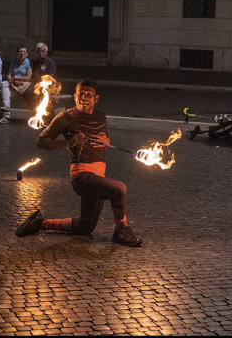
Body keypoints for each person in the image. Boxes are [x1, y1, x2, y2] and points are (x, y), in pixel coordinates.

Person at [16, 78, 143, 247]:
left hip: (98, 176)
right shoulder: (65, 117)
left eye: (88, 95)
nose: (84, 97)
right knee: (119, 189)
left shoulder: (101, 117)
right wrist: (69, 142)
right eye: (80, 94)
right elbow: (42, 141)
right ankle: (121, 230)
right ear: (75, 96)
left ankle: (40, 223)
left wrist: (103, 141)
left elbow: (102, 143)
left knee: (85, 226)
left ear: (96, 98)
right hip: (82, 176)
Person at [23, 42, 57, 124]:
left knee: (44, 96)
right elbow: (33, 75)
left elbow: (50, 76)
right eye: (38, 51)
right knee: (26, 94)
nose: (40, 53)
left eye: (42, 51)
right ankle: (36, 112)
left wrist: (42, 84)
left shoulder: (49, 62)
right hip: (37, 85)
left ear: (46, 52)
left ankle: (51, 119)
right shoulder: (35, 62)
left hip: (48, 85)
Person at [0, 46, 32, 124]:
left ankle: (5, 117)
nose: (22, 53)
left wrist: (16, 78)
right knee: (3, 83)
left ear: (27, 54)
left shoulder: (28, 63)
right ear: (17, 54)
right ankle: (6, 108)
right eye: (20, 51)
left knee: (5, 93)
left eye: (24, 52)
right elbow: (9, 76)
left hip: (23, 85)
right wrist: (13, 80)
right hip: (13, 84)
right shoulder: (14, 62)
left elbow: (28, 78)